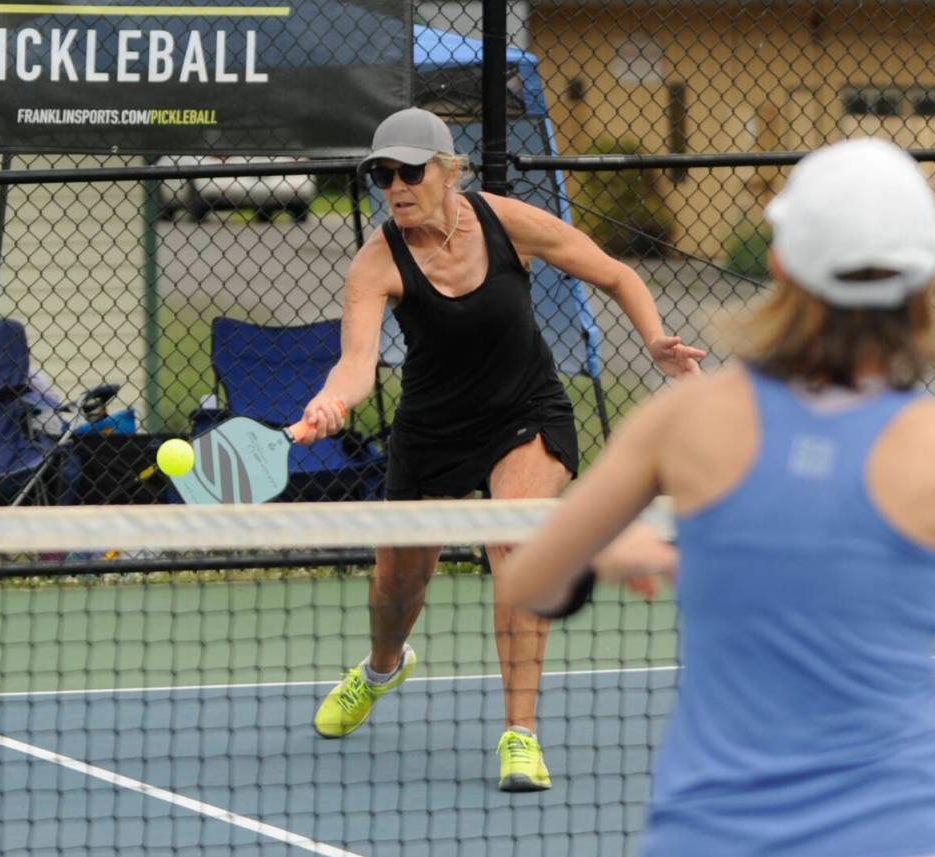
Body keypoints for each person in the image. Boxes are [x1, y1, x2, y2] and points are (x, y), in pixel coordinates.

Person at [498, 137, 935, 857]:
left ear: (781, 267)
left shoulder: (685, 422)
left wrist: (610, 549)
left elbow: (530, 581)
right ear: (934, 275)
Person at [298, 106, 705, 792]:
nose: (395, 186)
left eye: (410, 171)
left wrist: (655, 339)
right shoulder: (376, 262)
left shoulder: (504, 221)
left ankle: (520, 733)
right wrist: (333, 399)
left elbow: (615, 274)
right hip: (431, 431)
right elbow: (358, 362)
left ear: (449, 172)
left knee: (515, 546)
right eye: (382, 175)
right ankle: (382, 668)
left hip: (524, 411)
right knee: (398, 584)